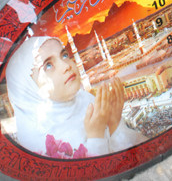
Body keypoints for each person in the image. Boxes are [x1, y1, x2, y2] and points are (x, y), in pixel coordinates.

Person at [5, 36, 144, 158]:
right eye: (48, 65)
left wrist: (115, 125)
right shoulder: (39, 144)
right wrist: (96, 138)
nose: (66, 66)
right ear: (28, 88)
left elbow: (136, 158)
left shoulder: (85, 100)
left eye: (64, 55)